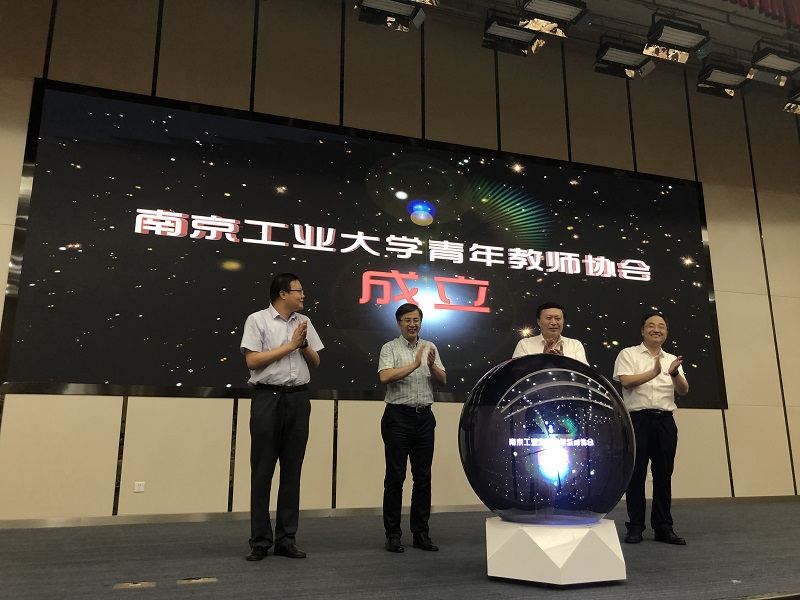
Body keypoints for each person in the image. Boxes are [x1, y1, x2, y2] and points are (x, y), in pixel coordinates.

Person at [240, 273, 323, 561]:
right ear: (282, 294)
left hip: (298, 399)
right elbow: (252, 360)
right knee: (262, 471)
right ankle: (260, 541)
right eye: (298, 291)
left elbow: (316, 361)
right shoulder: (257, 320)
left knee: (292, 471)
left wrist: (303, 344)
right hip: (268, 398)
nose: (303, 295)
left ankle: (286, 539)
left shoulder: (304, 322)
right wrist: (289, 345)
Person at [613, 312, 689, 546]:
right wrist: (653, 373)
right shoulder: (628, 353)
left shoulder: (671, 359)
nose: (657, 329)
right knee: (636, 475)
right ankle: (635, 527)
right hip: (637, 420)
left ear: (666, 332)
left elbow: (683, 390)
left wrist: (673, 373)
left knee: (663, 475)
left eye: (661, 326)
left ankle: (663, 527)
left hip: (665, 420)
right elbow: (626, 381)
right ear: (642, 330)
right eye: (651, 326)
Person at [378, 303, 446, 554]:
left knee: (423, 478)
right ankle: (393, 535)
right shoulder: (389, 348)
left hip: (424, 418)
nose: (412, 324)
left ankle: (421, 533)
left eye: (416, 320)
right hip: (398, 418)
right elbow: (385, 377)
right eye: (407, 320)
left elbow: (442, 380)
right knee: (395, 477)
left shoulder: (430, 347)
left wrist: (431, 365)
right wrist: (415, 365)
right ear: (399, 323)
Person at [512, 301, 588, 364]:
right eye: (548, 318)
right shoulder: (525, 344)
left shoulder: (575, 345)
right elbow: (517, 372)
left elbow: (584, 374)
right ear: (538, 321)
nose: (553, 323)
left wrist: (563, 362)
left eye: (558, 318)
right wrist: (543, 359)